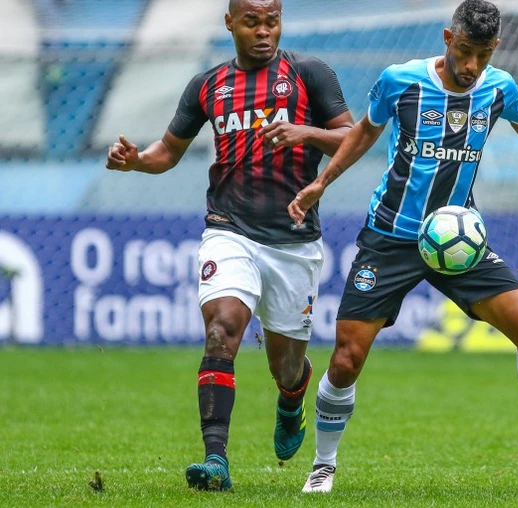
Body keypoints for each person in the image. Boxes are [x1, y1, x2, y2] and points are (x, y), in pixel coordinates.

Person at [287, 0, 518, 494]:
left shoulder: (498, 87)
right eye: (465, 51)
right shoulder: (401, 81)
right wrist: (323, 184)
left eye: (482, 55)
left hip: (457, 239)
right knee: (346, 358)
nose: (471, 67)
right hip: (391, 237)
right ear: (448, 38)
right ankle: (324, 464)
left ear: (495, 49)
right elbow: (362, 134)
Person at [104, 0, 353, 491]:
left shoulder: (310, 74)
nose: (264, 32)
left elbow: (352, 136)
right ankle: (215, 459)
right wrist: (136, 160)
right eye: (252, 22)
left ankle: (291, 396)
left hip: (293, 241)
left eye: (272, 21)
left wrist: (305, 132)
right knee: (221, 330)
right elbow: (167, 152)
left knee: (285, 366)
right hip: (229, 228)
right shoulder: (207, 85)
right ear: (230, 24)